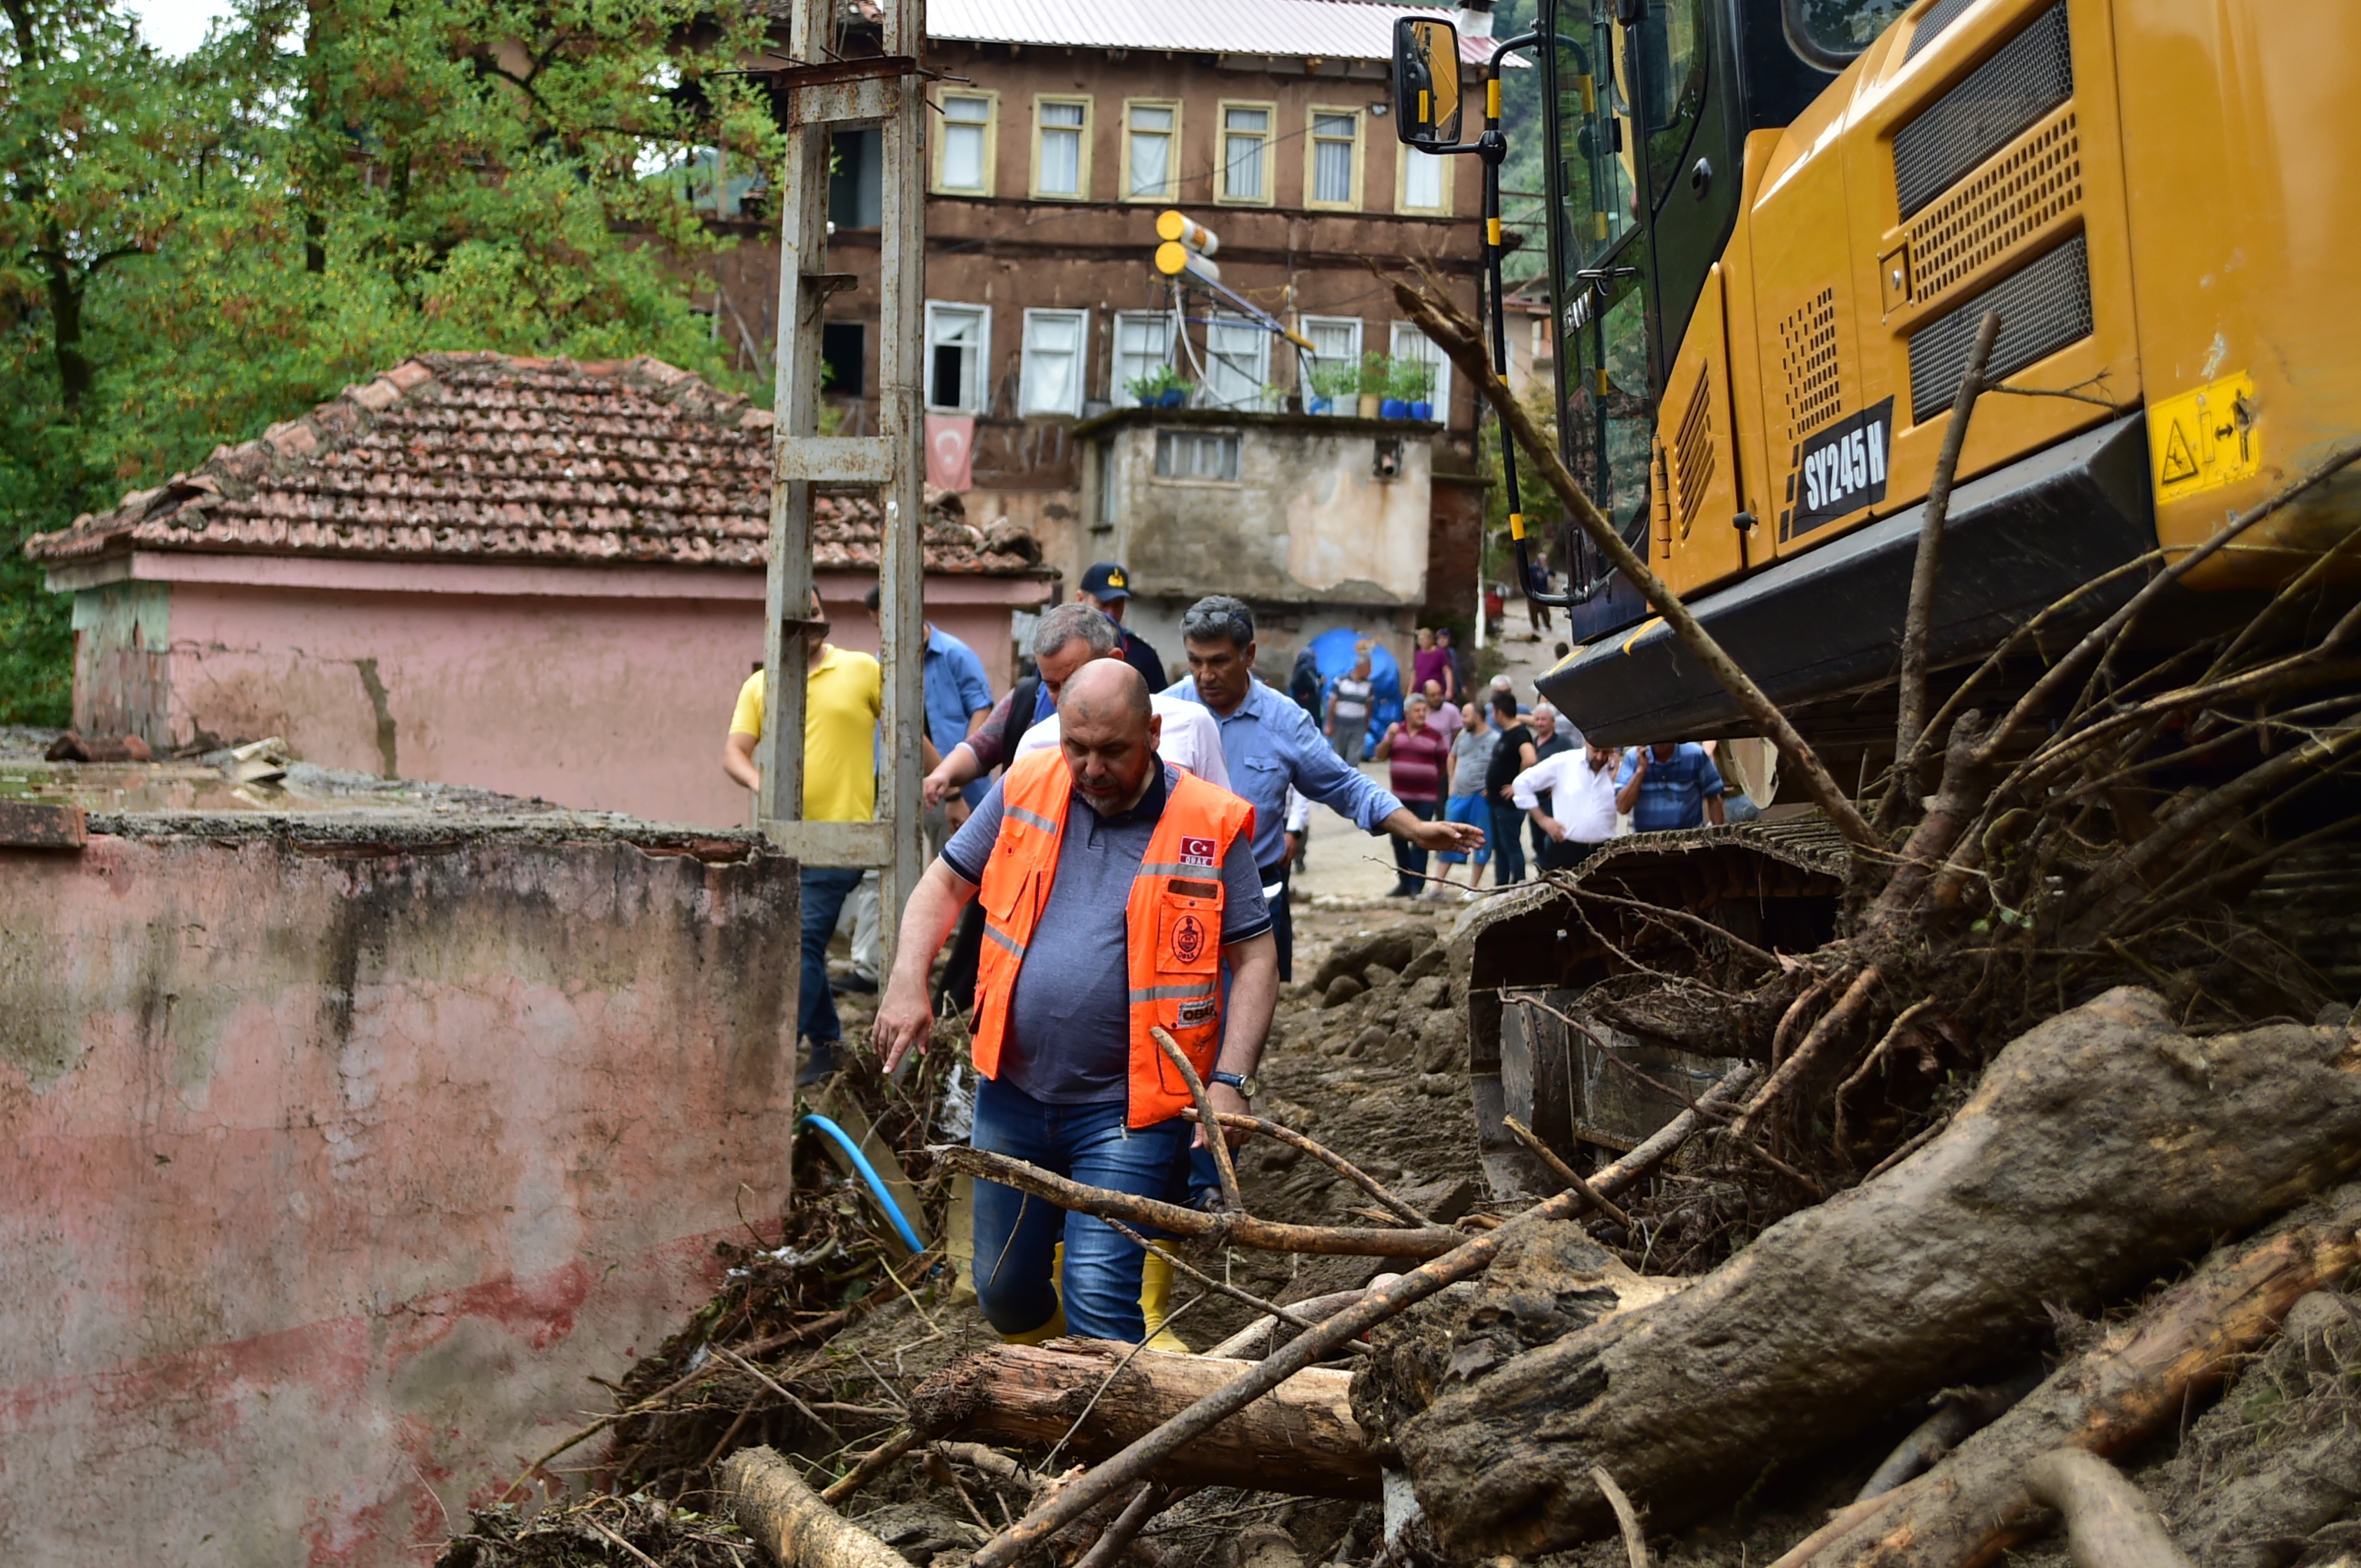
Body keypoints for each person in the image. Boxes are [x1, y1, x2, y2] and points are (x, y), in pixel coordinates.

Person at [872, 661, 1276, 1347]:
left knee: (1098, 1293)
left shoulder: (1207, 822)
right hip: (1014, 1091)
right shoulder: (1026, 786)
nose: (1090, 768)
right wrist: (908, 979)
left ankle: (1101, 1442)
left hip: (1134, 1109)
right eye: (1075, 746)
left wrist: (1231, 1082)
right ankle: (1062, 1388)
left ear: (1151, 733)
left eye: (1112, 750)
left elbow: (1256, 957)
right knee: (1003, 1291)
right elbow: (942, 886)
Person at [1164, 596, 1482, 979]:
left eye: (1218, 661)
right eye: (1195, 661)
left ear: (1248, 654)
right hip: (1174, 893)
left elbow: (1346, 785)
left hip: (1252, 900)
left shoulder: (1284, 721)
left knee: (1241, 1020)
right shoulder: (1164, 713)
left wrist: (1415, 829)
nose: (1205, 675)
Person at [722, 593, 883, 1083]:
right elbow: (734, 752)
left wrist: (945, 779)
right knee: (798, 945)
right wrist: (760, 784)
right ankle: (830, 1045)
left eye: (815, 612)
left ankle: (775, 1054)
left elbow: (903, 729)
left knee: (802, 943)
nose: (808, 622)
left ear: (823, 617)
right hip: (783, 839)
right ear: (777, 624)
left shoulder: (862, 669)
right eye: (798, 615)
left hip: (843, 837)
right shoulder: (762, 683)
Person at [927, 604, 1230, 799]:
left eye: (1115, 749)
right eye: (1052, 686)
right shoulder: (1034, 745)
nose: (1064, 698)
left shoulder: (1191, 726)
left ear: (1153, 733)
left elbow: (1219, 828)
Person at [1373, 692, 1449, 897]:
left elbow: (1443, 765)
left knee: (1421, 838)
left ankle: (1418, 884)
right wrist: (1389, 738)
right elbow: (1379, 755)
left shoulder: (1435, 735)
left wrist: (1427, 779)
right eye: (1417, 710)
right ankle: (1404, 882)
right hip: (1399, 796)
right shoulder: (1396, 732)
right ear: (1407, 713)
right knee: (1398, 838)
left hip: (1425, 797)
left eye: (1424, 710)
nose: (1422, 714)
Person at [1515, 740, 1621, 871]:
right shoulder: (1565, 761)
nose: (1600, 757)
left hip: (1605, 850)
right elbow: (1521, 783)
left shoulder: (1617, 769)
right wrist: (1542, 819)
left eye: (1605, 752)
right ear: (1587, 743)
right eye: (1595, 751)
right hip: (1566, 849)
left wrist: (1617, 775)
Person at [1433, 700, 1497, 895]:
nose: (1462, 720)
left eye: (1466, 716)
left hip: (1481, 796)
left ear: (1478, 717)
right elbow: (1452, 756)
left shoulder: (1495, 739)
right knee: (1448, 835)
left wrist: (1492, 786)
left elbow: (1502, 765)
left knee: (1480, 838)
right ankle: (1437, 885)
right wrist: (1452, 782)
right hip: (1459, 794)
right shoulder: (1462, 735)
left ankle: (1473, 887)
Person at [1079, 562, 1167, 695]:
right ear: (1081, 599)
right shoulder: (1061, 646)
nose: (1111, 614)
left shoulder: (1142, 654)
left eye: (1118, 605)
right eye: (1103, 604)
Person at [1483, 690, 1536, 885]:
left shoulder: (1520, 734)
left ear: (1499, 712)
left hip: (1509, 803)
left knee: (1510, 844)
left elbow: (1530, 759)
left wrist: (1517, 784)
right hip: (1496, 800)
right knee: (1499, 846)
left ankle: (1518, 882)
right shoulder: (1505, 735)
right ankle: (1502, 884)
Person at [1616, 741, 1728, 832]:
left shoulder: (1695, 754)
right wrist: (1641, 770)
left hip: (1690, 842)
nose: (1659, 743)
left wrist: (1718, 837)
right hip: (1647, 844)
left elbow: (1714, 797)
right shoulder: (1633, 758)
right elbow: (1622, 807)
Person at [1525, 703, 1574, 869]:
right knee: (1537, 841)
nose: (1539, 723)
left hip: (1553, 802)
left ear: (1553, 722)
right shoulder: (1530, 744)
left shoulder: (1563, 743)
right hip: (1534, 802)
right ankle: (1542, 877)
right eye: (1537, 719)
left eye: (1543, 720)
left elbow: (1572, 768)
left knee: (1553, 842)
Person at [1324, 647, 1376, 764]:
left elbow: (1369, 706)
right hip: (1340, 725)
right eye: (1369, 667)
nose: (1371, 671)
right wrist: (1329, 725)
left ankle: (1351, 782)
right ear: (1361, 667)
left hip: (1358, 726)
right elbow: (1332, 703)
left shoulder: (1369, 685)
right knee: (1338, 758)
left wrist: (1366, 724)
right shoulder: (1341, 681)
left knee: (1353, 759)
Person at [1412, 627, 1456, 706]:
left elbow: (1447, 672)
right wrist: (1410, 692)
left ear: (1430, 640)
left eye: (1422, 640)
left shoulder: (1439, 653)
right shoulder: (1418, 654)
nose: (1420, 642)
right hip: (1420, 693)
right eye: (1419, 640)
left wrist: (1449, 690)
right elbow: (1415, 674)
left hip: (1435, 694)